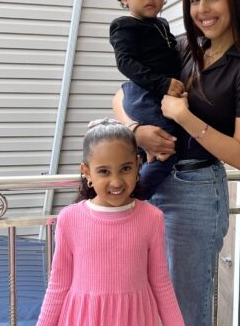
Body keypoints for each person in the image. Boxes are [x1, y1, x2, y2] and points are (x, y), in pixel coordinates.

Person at [112, 0, 240, 326]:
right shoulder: (183, 47)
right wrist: (137, 130)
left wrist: (183, 115)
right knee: (146, 297)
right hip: (153, 178)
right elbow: (121, 96)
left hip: (195, 192)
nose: (202, 9)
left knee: (185, 307)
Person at [37, 118, 185, 326]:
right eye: (104, 171)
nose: (116, 182)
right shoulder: (69, 219)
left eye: (125, 168)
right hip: (83, 319)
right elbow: (58, 285)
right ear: (87, 172)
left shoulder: (152, 218)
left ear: (137, 165)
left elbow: (161, 282)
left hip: (135, 318)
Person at [109, 0, 184, 199]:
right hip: (143, 93)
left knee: (151, 150)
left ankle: (137, 175)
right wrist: (163, 83)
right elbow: (125, 63)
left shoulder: (161, 24)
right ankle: (136, 196)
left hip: (156, 93)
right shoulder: (124, 25)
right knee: (168, 144)